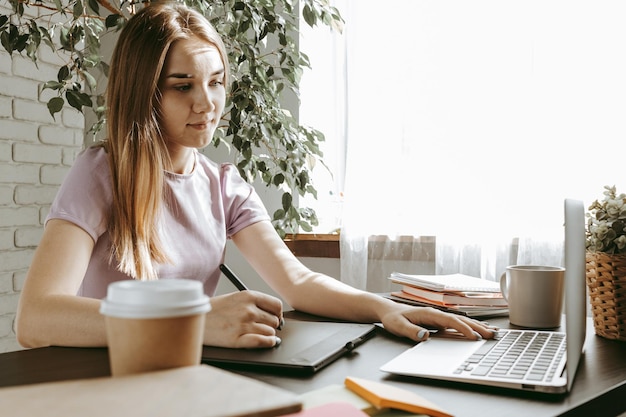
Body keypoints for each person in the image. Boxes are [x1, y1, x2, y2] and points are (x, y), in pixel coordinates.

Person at [15, 2, 495, 349]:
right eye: (183, 86)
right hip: (105, 383)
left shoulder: (223, 185)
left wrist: (383, 307)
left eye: (216, 82)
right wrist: (194, 320)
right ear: (145, 94)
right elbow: (36, 318)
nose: (207, 104)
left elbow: (298, 281)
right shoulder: (100, 172)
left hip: (184, 376)